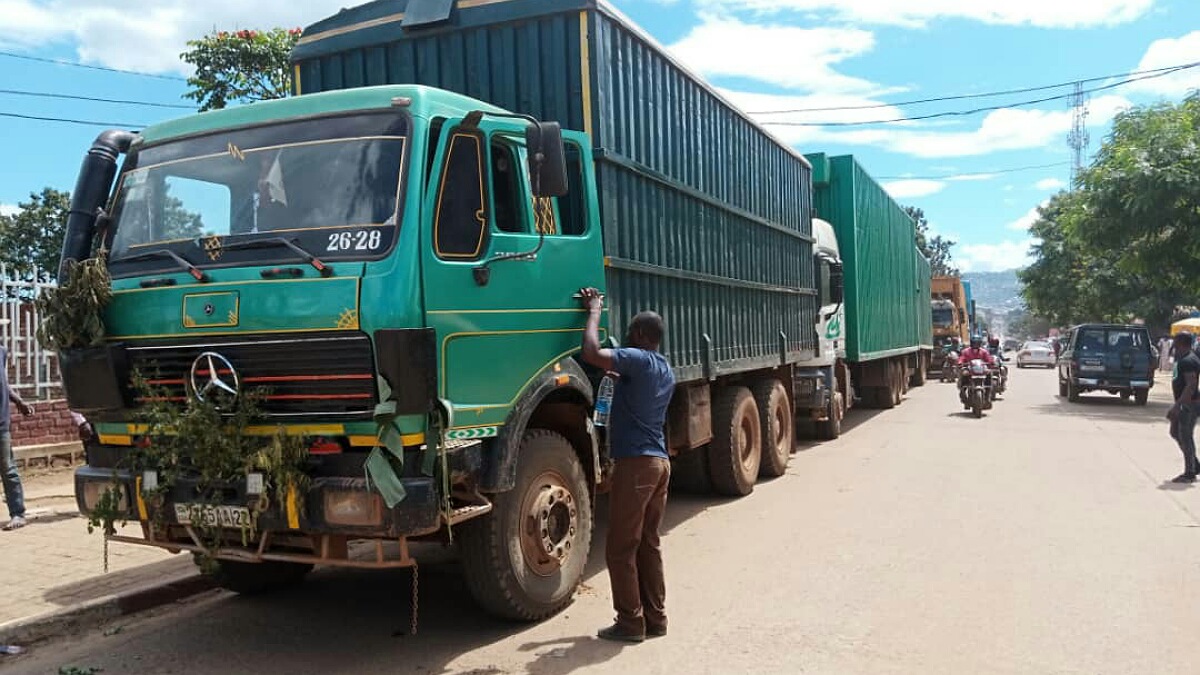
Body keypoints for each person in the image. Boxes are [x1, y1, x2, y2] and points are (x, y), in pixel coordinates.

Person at [579, 287, 675, 644]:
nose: (629, 338)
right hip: (659, 464)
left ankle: (630, 623)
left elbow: (591, 353)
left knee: (620, 548)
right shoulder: (665, 369)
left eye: (633, 333)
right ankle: (656, 618)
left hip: (636, 464)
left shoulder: (637, 358)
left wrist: (594, 310)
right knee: (648, 543)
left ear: (641, 336)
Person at [1, 340, 34, 531]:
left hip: (1, 422)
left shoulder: (1, 352)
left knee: (8, 468)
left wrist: (19, 401)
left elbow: (3, 383)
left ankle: (18, 513)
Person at [1168, 331, 1200, 483]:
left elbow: (1191, 385)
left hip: (1189, 404)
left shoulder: (1188, 360)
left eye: (1175, 341)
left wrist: (1178, 405)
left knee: (1185, 436)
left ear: (1181, 342)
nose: (1173, 344)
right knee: (1175, 432)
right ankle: (1194, 464)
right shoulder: (1183, 358)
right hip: (1185, 402)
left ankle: (1189, 473)